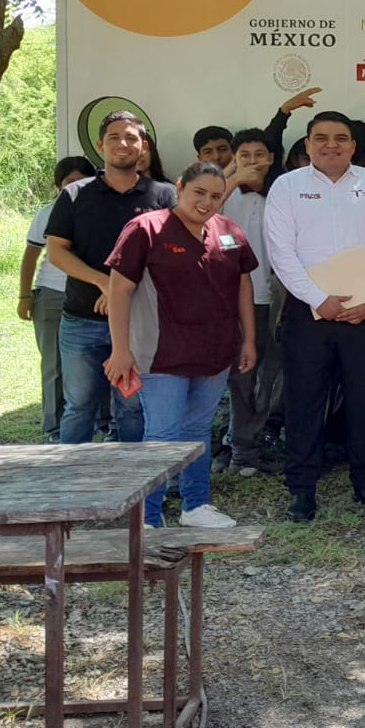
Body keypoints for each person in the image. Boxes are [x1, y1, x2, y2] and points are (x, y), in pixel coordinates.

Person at [265, 111, 365, 522]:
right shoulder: (287, 186)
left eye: (340, 138)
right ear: (307, 145)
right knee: (305, 399)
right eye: (321, 138)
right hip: (309, 311)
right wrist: (318, 299)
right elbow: (281, 252)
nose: (331, 145)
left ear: (352, 145)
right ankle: (302, 488)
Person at [103, 161, 257, 528]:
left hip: (215, 353)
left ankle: (196, 506)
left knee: (197, 431)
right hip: (161, 355)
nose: (206, 202)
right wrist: (120, 349)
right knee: (162, 434)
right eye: (199, 192)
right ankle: (149, 517)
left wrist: (249, 339)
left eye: (216, 196)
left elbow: (243, 285)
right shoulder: (146, 228)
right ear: (179, 187)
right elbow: (120, 290)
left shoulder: (229, 231)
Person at [46, 112, 178, 444]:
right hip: (82, 320)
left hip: (139, 322)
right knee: (79, 406)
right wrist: (104, 283)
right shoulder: (76, 194)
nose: (123, 143)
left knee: (132, 408)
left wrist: (123, 292)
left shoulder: (163, 196)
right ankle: (72, 487)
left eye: (131, 137)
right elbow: (58, 252)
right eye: (115, 136)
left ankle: (133, 492)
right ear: (100, 144)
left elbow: (173, 254)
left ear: (143, 146)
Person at [219, 128, 284, 477]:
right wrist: (231, 178)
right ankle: (240, 448)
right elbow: (197, 212)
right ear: (234, 158)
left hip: (277, 299)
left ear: (272, 158)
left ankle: (249, 442)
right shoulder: (224, 194)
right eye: (245, 155)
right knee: (240, 376)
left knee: (270, 375)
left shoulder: (284, 192)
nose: (253, 161)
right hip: (234, 299)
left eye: (261, 154)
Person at [19, 155, 96, 441]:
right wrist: (24, 296)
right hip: (52, 295)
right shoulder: (48, 213)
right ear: (58, 185)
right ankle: (54, 426)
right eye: (68, 183)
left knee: (96, 361)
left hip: (92, 295)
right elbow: (30, 256)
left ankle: (100, 421)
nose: (74, 188)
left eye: (82, 181)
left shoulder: (102, 213)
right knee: (54, 364)